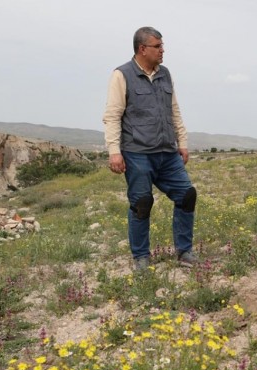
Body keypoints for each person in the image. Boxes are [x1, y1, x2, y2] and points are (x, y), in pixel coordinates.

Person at [103, 26, 198, 271]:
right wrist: (114, 151)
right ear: (142, 49)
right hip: (137, 153)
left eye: (162, 46)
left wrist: (183, 142)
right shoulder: (121, 75)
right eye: (158, 46)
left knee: (187, 195)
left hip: (167, 152)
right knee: (141, 203)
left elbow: (174, 110)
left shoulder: (165, 74)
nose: (162, 50)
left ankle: (185, 251)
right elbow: (113, 115)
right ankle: (141, 257)